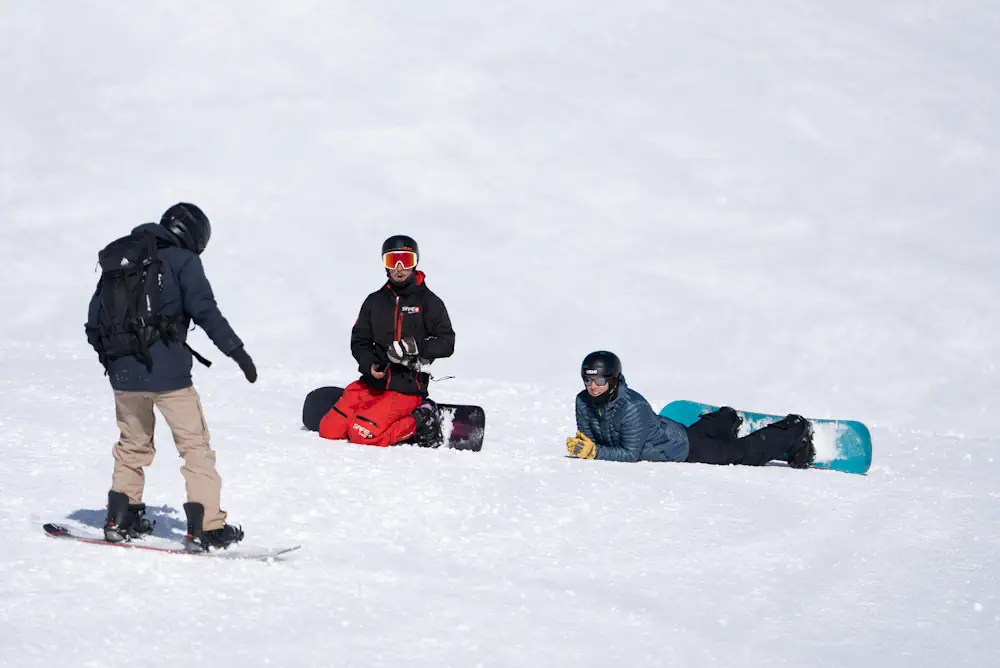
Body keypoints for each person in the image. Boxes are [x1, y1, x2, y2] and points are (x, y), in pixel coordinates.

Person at [85, 203, 257, 551]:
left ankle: (121, 518)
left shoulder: (123, 260)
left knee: (131, 446)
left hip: (123, 376)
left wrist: (116, 361)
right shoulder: (183, 261)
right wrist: (237, 352)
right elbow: (206, 312)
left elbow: (93, 322)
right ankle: (206, 527)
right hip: (170, 377)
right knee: (194, 448)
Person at [566, 351, 815, 468]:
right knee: (698, 433)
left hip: (682, 448)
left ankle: (793, 433)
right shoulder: (583, 402)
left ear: (613, 379)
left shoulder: (633, 408)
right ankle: (724, 420)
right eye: (587, 381)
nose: (593, 387)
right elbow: (590, 438)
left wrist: (594, 452)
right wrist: (585, 447)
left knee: (741, 454)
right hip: (667, 437)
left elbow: (631, 454)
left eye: (599, 381)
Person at [318, 234, 455, 447]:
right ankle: (370, 414)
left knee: (362, 435)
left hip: (406, 387)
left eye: (406, 261)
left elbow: (447, 342)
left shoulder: (429, 302)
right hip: (373, 385)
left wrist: (416, 348)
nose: (399, 268)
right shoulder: (374, 301)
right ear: (385, 265)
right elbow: (359, 340)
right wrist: (369, 364)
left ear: (415, 262)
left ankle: (423, 418)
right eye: (392, 261)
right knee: (329, 430)